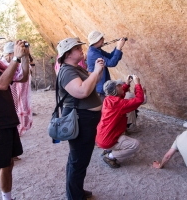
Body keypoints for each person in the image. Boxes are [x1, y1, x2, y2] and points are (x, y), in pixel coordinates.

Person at [56, 37, 104, 200]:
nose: (81, 49)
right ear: (68, 54)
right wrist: (96, 71)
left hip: (85, 120)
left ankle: (76, 191)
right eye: (77, 48)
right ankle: (74, 196)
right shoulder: (67, 71)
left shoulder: (76, 68)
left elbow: (92, 82)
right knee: (78, 161)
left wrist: (99, 70)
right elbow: (82, 91)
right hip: (80, 120)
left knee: (79, 159)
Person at [0, 27, 29, 200]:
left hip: (6, 120)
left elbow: (23, 77)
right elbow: (1, 84)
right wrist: (17, 58)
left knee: (8, 163)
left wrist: (25, 56)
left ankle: (7, 198)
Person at [96, 75, 144, 168]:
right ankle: (110, 156)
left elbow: (119, 96)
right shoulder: (119, 104)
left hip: (102, 137)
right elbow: (139, 100)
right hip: (108, 140)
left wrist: (127, 84)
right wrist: (137, 84)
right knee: (135, 145)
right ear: (115, 90)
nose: (121, 86)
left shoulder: (108, 99)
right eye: (118, 86)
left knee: (122, 137)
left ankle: (108, 149)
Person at [1, 41, 33, 137]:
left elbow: (24, 77)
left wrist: (25, 57)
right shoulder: (1, 64)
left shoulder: (17, 63)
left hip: (18, 95)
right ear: (10, 53)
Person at [87, 30, 126, 102]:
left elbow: (110, 56)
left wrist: (118, 47)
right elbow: (112, 63)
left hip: (102, 86)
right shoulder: (93, 54)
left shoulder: (96, 50)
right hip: (99, 89)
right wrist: (118, 47)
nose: (103, 39)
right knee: (102, 111)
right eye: (101, 38)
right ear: (96, 41)